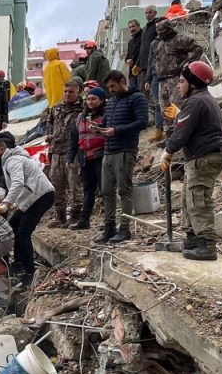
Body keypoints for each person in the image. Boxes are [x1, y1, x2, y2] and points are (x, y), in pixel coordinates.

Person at [160, 62, 222, 261]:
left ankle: (207, 244)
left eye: (182, 82)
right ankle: (192, 238)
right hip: (202, 157)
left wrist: (168, 152)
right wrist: (180, 116)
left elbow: (182, 134)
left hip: (204, 157)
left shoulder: (196, 101)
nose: (178, 86)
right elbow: (193, 124)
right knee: (189, 197)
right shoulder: (202, 100)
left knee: (199, 200)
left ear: (193, 83)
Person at [0, 136, 55, 279]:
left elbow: (18, 183)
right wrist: (13, 203)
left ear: (2, 149)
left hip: (41, 196)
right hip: (34, 198)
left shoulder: (12, 161)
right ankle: (18, 263)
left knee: (23, 234)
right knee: (12, 226)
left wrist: (6, 204)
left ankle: (29, 272)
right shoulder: (9, 161)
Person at [96, 70, 149, 244]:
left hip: (125, 150)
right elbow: (106, 122)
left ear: (122, 81)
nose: (110, 90)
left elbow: (142, 122)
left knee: (124, 190)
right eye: (108, 87)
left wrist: (117, 130)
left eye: (112, 86)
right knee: (106, 191)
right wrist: (97, 127)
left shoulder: (137, 98)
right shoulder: (111, 102)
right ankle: (109, 227)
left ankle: (124, 229)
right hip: (108, 151)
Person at [45, 80, 85, 228]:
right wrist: (49, 135)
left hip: (73, 150)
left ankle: (75, 216)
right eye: (66, 91)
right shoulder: (56, 107)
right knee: (57, 184)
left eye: (71, 92)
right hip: (55, 150)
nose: (67, 94)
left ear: (78, 92)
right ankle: (60, 216)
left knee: (75, 184)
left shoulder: (82, 109)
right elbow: (49, 123)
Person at [154, 20, 203, 139]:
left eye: (162, 31)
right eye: (158, 32)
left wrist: (188, 64)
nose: (160, 34)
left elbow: (198, 48)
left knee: (177, 107)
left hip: (175, 78)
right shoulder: (160, 44)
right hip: (162, 80)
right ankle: (170, 137)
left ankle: (181, 134)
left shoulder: (179, 39)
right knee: (165, 109)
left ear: (169, 30)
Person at [67, 86, 108, 230]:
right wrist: (70, 157)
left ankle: (109, 221)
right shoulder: (80, 117)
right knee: (88, 190)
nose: (90, 102)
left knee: (105, 190)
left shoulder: (107, 115)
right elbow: (74, 138)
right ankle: (84, 220)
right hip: (85, 157)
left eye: (94, 99)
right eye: (88, 99)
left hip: (101, 156)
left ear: (101, 100)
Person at [137, 6, 159, 93]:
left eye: (150, 12)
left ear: (155, 13)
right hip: (143, 65)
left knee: (153, 91)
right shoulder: (145, 29)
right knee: (143, 90)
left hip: (154, 64)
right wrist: (137, 63)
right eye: (146, 13)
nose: (148, 15)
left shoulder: (157, 25)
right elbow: (142, 47)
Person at [125, 20, 144, 90]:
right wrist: (127, 60)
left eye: (133, 26)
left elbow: (143, 52)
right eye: (130, 27)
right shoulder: (130, 42)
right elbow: (127, 55)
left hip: (141, 70)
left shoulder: (143, 37)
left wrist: (137, 64)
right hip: (132, 73)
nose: (132, 29)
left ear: (138, 26)